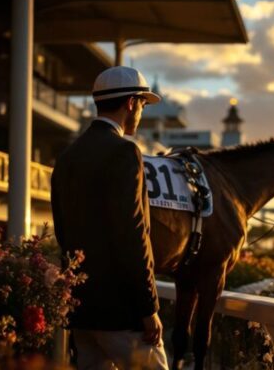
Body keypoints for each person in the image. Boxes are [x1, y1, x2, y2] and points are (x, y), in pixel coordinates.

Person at [51, 66, 168, 369]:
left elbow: (63, 234)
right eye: (142, 104)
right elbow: (133, 236)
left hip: (83, 313)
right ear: (131, 103)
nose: (141, 113)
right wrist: (149, 309)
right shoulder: (125, 153)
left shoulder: (67, 157)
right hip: (123, 315)